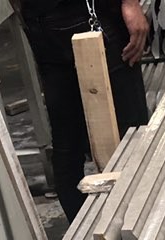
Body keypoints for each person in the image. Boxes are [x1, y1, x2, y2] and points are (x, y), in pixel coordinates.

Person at [22, 0, 150, 221]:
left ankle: (94, 233)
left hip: (43, 21)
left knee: (68, 145)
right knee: (131, 135)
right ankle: (133, 228)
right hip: (87, 13)